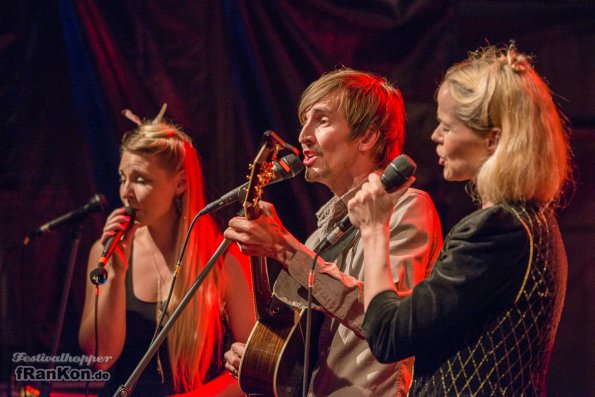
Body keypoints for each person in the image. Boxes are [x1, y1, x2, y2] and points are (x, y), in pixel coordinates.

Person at [353, 44, 572, 396]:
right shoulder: (529, 222)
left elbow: (388, 335)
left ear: (492, 139)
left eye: (447, 126)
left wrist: (375, 228)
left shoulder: (497, 230)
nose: (435, 136)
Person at [223, 68, 443, 396]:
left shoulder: (408, 207)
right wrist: (265, 365)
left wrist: (283, 248)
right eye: (304, 121)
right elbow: (306, 357)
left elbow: (391, 321)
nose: (303, 136)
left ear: (367, 137)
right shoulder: (317, 239)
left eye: (322, 120)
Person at [79, 105, 255, 396]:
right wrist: (114, 275)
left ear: (180, 182)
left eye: (141, 180)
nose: (126, 193)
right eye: (123, 178)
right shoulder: (104, 252)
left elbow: (254, 369)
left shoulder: (221, 258)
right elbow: (100, 359)